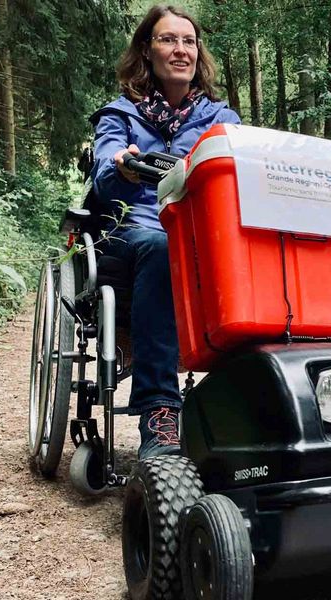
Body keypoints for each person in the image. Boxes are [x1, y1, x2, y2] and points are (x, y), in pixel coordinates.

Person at [89, 5, 240, 460]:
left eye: (188, 41)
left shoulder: (221, 117)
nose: (180, 50)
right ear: (146, 50)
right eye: (168, 40)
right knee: (161, 244)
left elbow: (239, 170)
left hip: (201, 233)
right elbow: (103, 171)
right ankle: (160, 411)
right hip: (133, 230)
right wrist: (122, 167)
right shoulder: (120, 114)